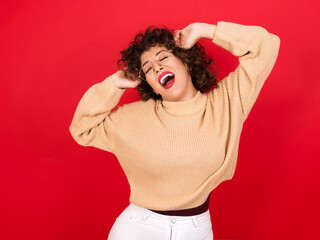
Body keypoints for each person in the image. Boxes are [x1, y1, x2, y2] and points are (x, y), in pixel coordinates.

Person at [69, 21, 280, 240]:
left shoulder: (226, 103)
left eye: (163, 57)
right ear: (150, 83)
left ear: (185, 62)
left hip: (197, 230)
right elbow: (82, 128)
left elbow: (266, 45)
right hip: (137, 229)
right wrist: (114, 84)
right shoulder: (134, 118)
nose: (157, 67)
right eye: (148, 69)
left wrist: (205, 30)